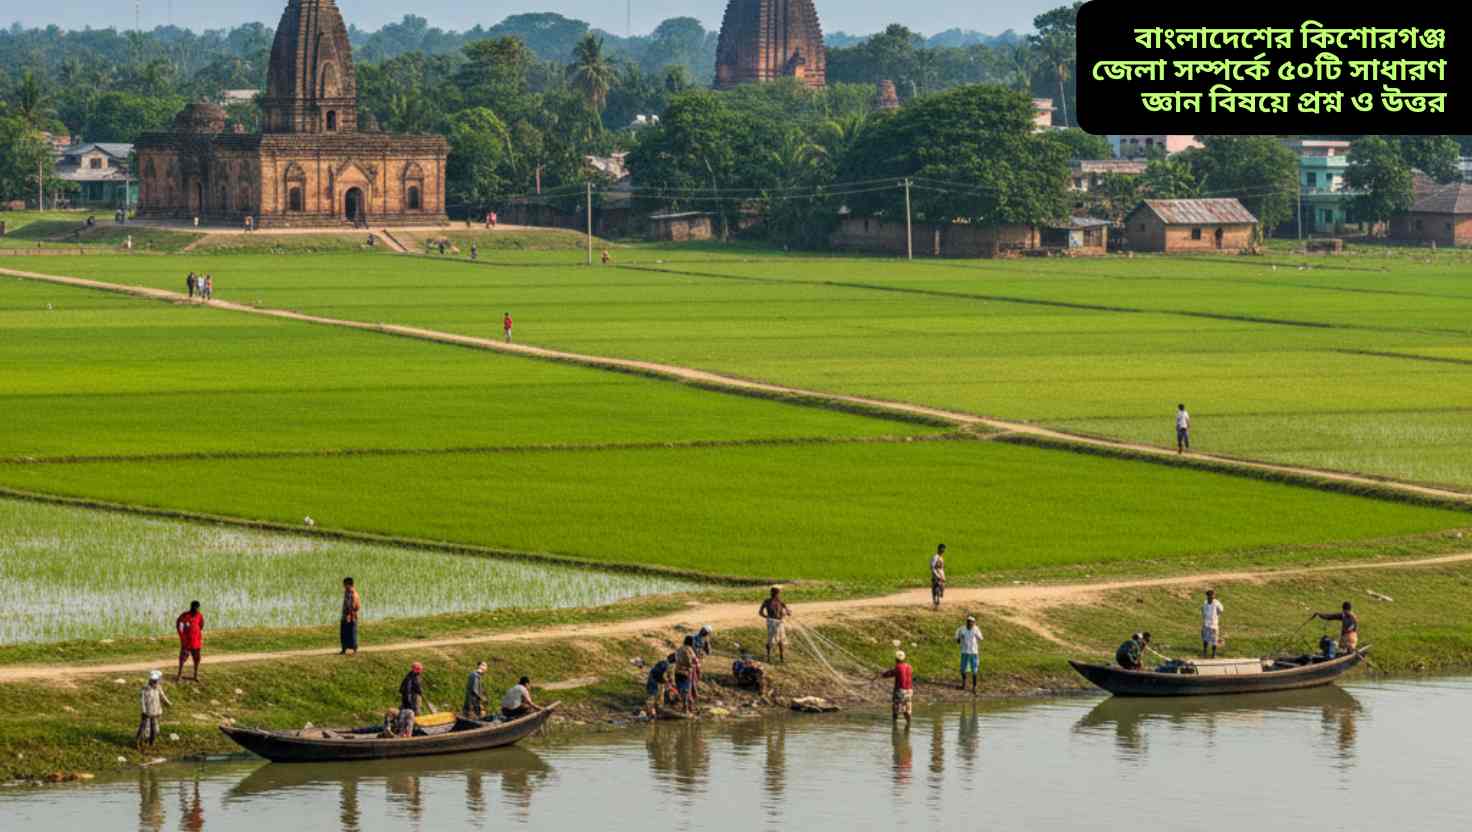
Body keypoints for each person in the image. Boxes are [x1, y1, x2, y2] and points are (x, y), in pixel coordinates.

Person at [136, 671, 172, 750]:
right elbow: (142, 701)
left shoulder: (158, 688)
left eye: (157, 681)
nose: (156, 683)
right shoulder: (145, 689)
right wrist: (144, 711)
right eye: (154, 681)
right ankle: (138, 742)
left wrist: (168, 703)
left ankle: (151, 743)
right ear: (150, 681)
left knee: (154, 728)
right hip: (147, 712)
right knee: (142, 727)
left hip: (155, 712)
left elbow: (162, 697)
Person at [879, 651, 914, 726]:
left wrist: (882, 675)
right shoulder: (909, 666)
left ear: (896, 659)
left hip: (900, 690)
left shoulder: (898, 667)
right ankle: (908, 725)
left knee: (896, 708)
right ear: (904, 658)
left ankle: (894, 725)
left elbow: (890, 674)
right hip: (909, 690)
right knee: (907, 708)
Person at [759, 586, 791, 663]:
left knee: (781, 640)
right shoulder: (767, 601)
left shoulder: (781, 602)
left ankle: (781, 658)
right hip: (771, 622)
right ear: (771, 593)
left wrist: (786, 613)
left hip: (780, 623)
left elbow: (788, 612)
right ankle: (768, 657)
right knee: (771, 640)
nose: (776, 595)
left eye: (777, 593)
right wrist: (767, 617)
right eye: (775, 593)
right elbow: (760, 612)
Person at [175, 601, 204, 682]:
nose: (196, 609)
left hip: (196, 642)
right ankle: (179, 675)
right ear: (191, 607)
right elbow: (179, 627)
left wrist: (196, 633)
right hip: (186, 643)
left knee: (197, 659)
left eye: (197, 608)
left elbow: (201, 626)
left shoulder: (199, 616)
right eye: (195, 608)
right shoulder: (184, 616)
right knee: (182, 659)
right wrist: (183, 638)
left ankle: (195, 675)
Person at [955, 615, 983, 693]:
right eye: (968, 622)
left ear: (974, 623)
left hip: (974, 652)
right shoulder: (961, 629)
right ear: (966, 622)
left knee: (974, 670)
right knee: (963, 669)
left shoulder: (976, 629)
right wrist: (959, 639)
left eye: (971, 622)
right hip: (964, 652)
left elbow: (981, 638)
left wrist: (976, 635)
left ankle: (974, 687)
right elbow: (957, 638)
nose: (970, 623)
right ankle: (964, 684)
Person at [674, 636, 700, 712]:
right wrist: (693, 665)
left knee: (680, 689)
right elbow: (691, 661)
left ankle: (685, 706)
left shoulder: (679, 649)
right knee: (686, 690)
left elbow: (676, 659)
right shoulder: (690, 650)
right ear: (691, 642)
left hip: (677, 671)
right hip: (686, 672)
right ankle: (686, 707)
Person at [339, 577, 361, 655]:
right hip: (345, 616)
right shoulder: (346, 592)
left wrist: (349, 615)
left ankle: (354, 649)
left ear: (349, 584)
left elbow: (354, 606)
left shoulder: (353, 594)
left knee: (352, 633)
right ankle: (344, 649)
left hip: (351, 617)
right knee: (344, 633)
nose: (344, 586)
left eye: (345, 584)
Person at [1201, 589, 1224, 658]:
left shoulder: (1216, 603)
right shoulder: (1205, 603)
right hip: (1206, 624)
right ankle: (1205, 652)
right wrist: (1204, 621)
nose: (1211, 597)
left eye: (1212, 596)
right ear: (1207, 596)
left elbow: (1221, 610)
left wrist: (1216, 616)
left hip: (1214, 624)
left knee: (1214, 639)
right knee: (1205, 639)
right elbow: (1203, 611)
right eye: (1210, 596)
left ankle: (1213, 653)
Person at [930, 544, 947, 610]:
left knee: (942, 587)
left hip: (941, 573)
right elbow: (932, 567)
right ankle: (935, 603)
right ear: (939, 549)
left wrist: (943, 575)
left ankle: (938, 599)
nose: (943, 550)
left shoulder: (941, 557)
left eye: (944, 549)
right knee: (935, 588)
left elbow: (942, 568)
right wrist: (936, 575)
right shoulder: (935, 557)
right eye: (942, 548)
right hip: (936, 573)